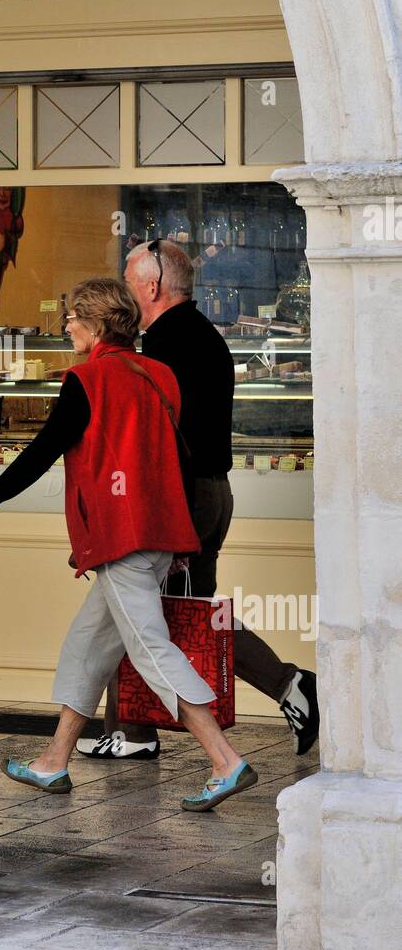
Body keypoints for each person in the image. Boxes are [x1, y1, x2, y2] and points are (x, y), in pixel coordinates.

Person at [0, 276, 258, 810]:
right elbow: (176, 458)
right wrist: (179, 534)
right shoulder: (160, 375)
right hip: (157, 535)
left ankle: (225, 761)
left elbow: (43, 450)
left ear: (94, 326)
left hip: (122, 539)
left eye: (72, 318)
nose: (66, 325)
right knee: (89, 647)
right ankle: (53, 762)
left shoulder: (87, 380)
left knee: (151, 649)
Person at [76, 240, 318, 762]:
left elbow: (155, 440)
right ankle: (135, 729)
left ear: (152, 286)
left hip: (180, 499)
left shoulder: (164, 345)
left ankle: (288, 684)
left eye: (128, 278)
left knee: (168, 614)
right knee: (162, 611)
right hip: (205, 492)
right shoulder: (199, 336)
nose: (123, 288)